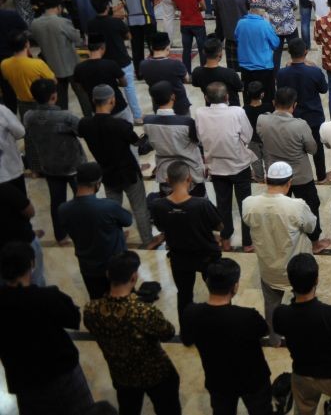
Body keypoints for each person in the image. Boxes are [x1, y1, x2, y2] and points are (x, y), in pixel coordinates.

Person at [0, 241, 94, 414]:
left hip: (23, 379)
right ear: (32, 264)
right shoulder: (47, 297)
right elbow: (73, 319)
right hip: (61, 373)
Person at [84, 251, 181, 415]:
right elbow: (168, 332)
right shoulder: (142, 311)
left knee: (129, 408)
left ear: (108, 275)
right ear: (134, 277)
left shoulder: (91, 309)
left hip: (121, 373)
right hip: (154, 373)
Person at [272, 253, 331, 415]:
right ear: (316, 280)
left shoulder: (281, 314)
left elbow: (281, 331)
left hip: (303, 374)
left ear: (291, 282)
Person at [181, 258, 273, 415]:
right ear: (235, 287)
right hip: (252, 379)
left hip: (218, 379)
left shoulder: (191, 313)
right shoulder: (247, 316)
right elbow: (264, 330)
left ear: (207, 283)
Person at [242, 160, 318, 346]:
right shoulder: (296, 206)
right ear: (289, 182)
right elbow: (311, 226)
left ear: (267, 180)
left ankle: (274, 338)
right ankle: (303, 335)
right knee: (303, 302)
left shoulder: (249, 204)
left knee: (271, 304)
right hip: (296, 267)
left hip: (268, 267)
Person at [148, 161, 223, 324]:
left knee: (184, 295)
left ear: (167, 181)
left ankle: (187, 333)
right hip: (207, 255)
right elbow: (219, 225)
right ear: (189, 179)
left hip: (179, 257)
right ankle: (219, 325)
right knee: (218, 292)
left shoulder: (158, 205)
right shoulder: (202, 204)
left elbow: (161, 227)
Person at [76, 84, 152, 244]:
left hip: (106, 172)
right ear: (112, 101)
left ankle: (116, 238)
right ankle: (148, 239)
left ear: (93, 100)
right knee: (139, 207)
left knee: (112, 209)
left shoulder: (85, 124)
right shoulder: (119, 125)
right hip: (128, 172)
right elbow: (136, 142)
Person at [258, 86, 324, 247]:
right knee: (310, 206)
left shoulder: (262, 120)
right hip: (300, 175)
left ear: (274, 102)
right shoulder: (300, 125)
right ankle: (315, 242)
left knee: (280, 209)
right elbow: (312, 149)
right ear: (294, 105)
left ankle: (283, 239)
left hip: (276, 175)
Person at [56, 161, 132, 299]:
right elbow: (128, 220)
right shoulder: (108, 207)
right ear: (98, 183)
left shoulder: (63, 209)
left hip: (88, 268)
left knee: (97, 302)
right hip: (115, 267)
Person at [195, 82, 256, 250]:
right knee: (245, 203)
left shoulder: (200, 113)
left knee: (223, 204)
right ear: (227, 97)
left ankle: (226, 239)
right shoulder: (237, 112)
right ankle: (248, 243)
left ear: (206, 98)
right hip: (239, 164)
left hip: (216, 166)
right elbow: (248, 136)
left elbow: (200, 138)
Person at [23, 78, 84, 246]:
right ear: (54, 96)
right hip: (73, 164)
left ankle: (61, 236)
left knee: (57, 201)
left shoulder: (28, 116)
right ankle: (87, 230)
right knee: (84, 199)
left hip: (49, 165)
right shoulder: (65, 116)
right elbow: (81, 131)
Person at [277, 38, 330, 181]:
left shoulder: (282, 73)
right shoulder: (314, 72)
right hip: (313, 116)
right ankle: (321, 176)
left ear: (289, 53)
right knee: (317, 148)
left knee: (295, 148)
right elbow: (324, 89)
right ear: (305, 52)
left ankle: (297, 176)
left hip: (292, 116)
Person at [26, 0, 81, 110]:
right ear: (58, 7)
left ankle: (63, 122)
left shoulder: (34, 24)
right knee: (82, 96)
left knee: (60, 100)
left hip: (51, 67)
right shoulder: (62, 22)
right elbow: (77, 40)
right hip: (72, 65)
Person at [235, 2, 280, 107]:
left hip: (245, 67)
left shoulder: (240, 23)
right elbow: (275, 43)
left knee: (248, 96)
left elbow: (237, 39)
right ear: (262, 13)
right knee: (267, 98)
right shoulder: (265, 25)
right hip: (264, 67)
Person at [141, 30, 191, 116]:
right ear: (168, 47)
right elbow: (187, 79)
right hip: (179, 105)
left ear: (152, 47)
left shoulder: (143, 64)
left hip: (158, 105)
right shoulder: (176, 64)